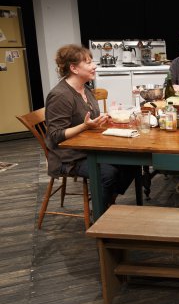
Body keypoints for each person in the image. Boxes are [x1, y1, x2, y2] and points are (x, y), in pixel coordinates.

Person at [45, 44, 138, 207]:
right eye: (88, 63)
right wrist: (85, 126)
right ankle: (100, 216)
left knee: (133, 162)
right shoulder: (60, 95)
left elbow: (89, 119)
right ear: (73, 68)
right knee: (108, 174)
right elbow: (55, 136)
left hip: (89, 147)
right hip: (69, 157)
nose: (94, 66)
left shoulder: (85, 88)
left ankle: (108, 201)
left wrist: (101, 120)